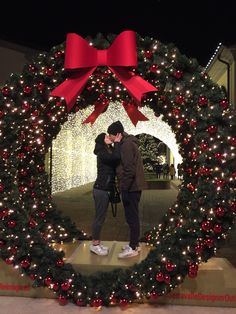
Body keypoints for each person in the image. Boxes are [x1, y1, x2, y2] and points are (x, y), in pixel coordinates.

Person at [107, 121, 146, 258]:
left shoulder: (127, 146)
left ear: (118, 134)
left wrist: (124, 187)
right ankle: (134, 243)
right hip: (132, 186)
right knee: (131, 216)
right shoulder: (126, 143)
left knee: (132, 217)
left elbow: (129, 169)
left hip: (131, 187)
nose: (110, 138)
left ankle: (133, 247)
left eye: (111, 135)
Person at [90, 132, 122, 256]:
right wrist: (117, 143)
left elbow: (114, 158)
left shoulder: (107, 151)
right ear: (102, 141)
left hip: (104, 188)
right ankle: (95, 245)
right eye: (106, 137)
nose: (109, 137)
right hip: (101, 189)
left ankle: (97, 242)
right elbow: (115, 158)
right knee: (99, 218)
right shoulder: (102, 153)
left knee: (101, 217)